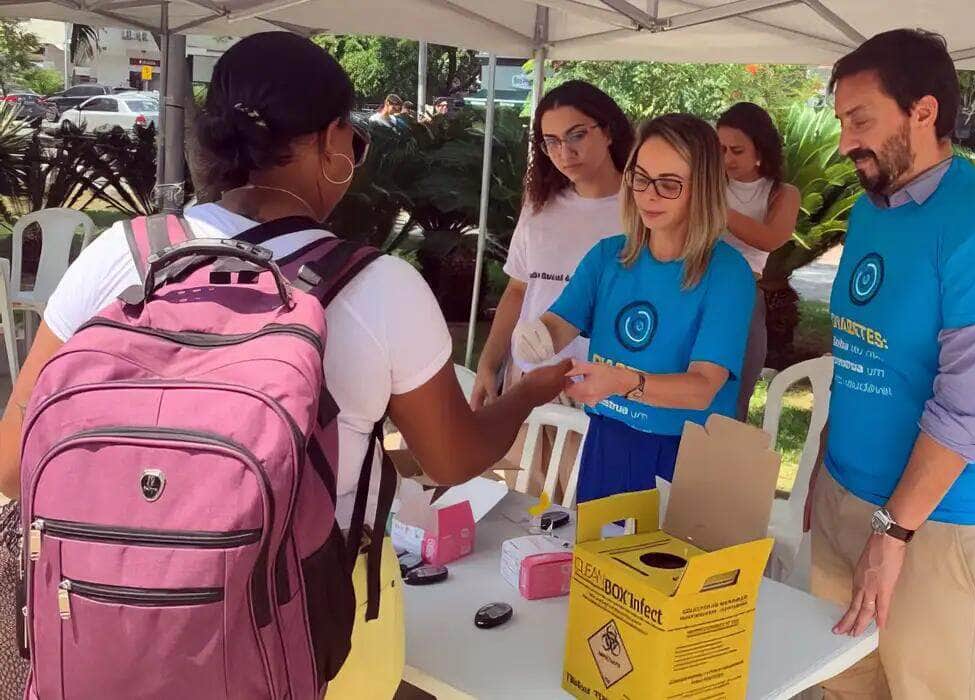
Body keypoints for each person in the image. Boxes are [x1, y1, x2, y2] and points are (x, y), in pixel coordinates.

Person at [0, 31, 568, 694]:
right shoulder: (377, 288)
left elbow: (14, 460)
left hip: (103, 639)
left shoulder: (119, 257)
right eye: (354, 144)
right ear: (330, 141)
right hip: (314, 636)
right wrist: (526, 396)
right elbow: (450, 459)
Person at [810, 29, 975, 699]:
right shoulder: (869, 212)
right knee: (839, 684)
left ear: (924, 111)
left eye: (860, 119)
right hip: (846, 500)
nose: (845, 140)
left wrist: (892, 531)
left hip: (936, 525)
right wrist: (826, 471)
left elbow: (968, 408)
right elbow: (857, 355)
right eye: (841, 122)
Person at [514, 113, 756, 502]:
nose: (649, 195)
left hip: (685, 451)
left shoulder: (727, 274)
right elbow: (562, 321)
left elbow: (701, 389)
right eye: (640, 178)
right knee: (594, 557)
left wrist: (623, 383)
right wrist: (537, 337)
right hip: (609, 439)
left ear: (705, 188)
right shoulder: (608, 256)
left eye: (669, 184)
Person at [470, 81, 633, 496]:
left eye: (577, 135)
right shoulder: (540, 203)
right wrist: (490, 363)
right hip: (528, 383)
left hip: (598, 388)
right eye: (552, 141)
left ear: (609, 131)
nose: (565, 152)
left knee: (586, 515)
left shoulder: (639, 210)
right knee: (519, 506)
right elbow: (517, 291)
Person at [716, 102, 801, 419]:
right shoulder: (709, 182)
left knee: (738, 389)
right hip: (697, 288)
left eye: (736, 150)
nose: (726, 158)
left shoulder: (782, 193)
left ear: (760, 149)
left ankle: (723, 462)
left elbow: (771, 237)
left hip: (745, 294)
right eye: (720, 148)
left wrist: (715, 209)